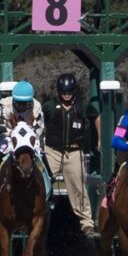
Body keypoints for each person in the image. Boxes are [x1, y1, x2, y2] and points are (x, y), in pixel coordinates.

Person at [43, 73, 96, 239]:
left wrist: (99, 139)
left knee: (79, 185)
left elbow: (96, 117)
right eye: (64, 91)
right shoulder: (50, 106)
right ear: (59, 91)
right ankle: (32, 214)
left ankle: (87, 223)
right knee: (41, 180)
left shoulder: (82, 106)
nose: (66, 94)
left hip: (74, 152)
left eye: (69, 91)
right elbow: (38, 120)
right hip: (52, 150)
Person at [0, 80, 49, 198]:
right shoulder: (5, 104)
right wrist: (11, 133)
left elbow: (39, 127)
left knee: (41, 161)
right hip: (10, 140)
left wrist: (28, 136)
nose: (21, 106)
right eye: (19, 103)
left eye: (25, 103)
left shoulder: (36, 106)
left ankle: (48, 184)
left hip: (30, 140)